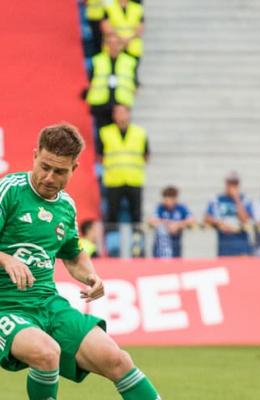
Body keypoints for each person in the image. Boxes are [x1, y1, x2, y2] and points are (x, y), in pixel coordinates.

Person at [0, 123, 222, 400]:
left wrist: (91, 275)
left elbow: (73, 254)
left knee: (117, 359)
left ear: (75, 170)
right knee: (46, 353)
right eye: (45, 166)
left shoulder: (66, 207)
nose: (50, 177)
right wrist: (7, 260)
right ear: (34, 156)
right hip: (1, 305)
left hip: (48, 303)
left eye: (60, 171)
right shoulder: (6, 190)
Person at [97, 104, 148, 255]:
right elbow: (100, 156)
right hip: (114, 180)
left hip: (134, 180)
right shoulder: (105, 133)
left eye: (123, 112)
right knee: (112, 216)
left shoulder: (140, 133)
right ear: (113, 116)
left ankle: (137, 248)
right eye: (117, 112)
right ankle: (113, 248)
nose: (120, 116)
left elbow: (146, 155)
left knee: (136, 216)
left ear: (129, 114)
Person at [85, 34, 138, 132]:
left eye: (116, 43)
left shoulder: (130, 61)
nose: (113, 46)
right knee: (103, 135)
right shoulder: (97, 60)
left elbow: (134, 82)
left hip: (121, 104)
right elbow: (89, 81)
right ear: (105, 45)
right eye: (110, 43)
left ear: (121, 45)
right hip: (101, 104)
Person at [204, 171, 253, 257]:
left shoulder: (245, 199)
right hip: (224, 246)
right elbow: (207, 217)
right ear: (226, 184)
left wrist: (236, 199)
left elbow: (244, 219)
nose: (232, 187)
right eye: (230, 184)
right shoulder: (217, 199)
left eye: (235, 184)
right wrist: (219, 223)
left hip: (241, 245)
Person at [148, 185, 195, 258]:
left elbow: (192, 220)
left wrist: (178, 225)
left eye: (168, 200)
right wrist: (167, 225)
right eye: (164, 199)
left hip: (175, 244)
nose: (165, 202)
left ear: (174, 199)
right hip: (160, 247)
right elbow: (151, 220)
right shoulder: (160, 207)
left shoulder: (181, 208)